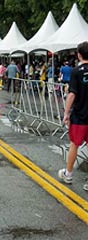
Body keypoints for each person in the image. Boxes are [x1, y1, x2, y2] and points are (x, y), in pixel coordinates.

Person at [58, 41, 88, 191]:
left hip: (79, 116)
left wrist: (66, 113)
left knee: (74, 145)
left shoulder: (76, 71)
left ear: (79, 54)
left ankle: (68, 174)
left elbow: (72, 94)